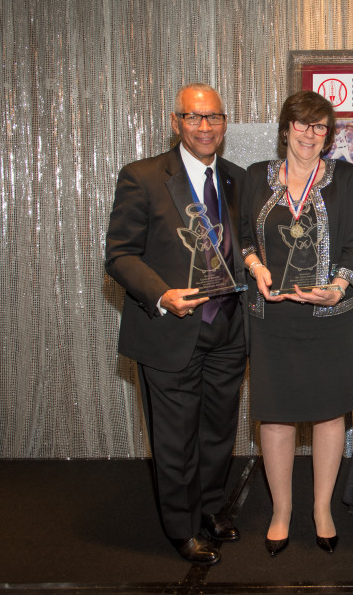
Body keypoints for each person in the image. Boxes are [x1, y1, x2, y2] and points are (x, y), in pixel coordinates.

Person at [105, 83, 247, 566]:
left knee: (216, 433)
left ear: (225, 124)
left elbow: (244, 249)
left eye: (214, 118)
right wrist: (162, 294)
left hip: (228, 330)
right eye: (194, 118)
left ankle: (209, 510)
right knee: (174, 437)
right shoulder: (142, 177)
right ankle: (181, 528)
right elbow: (119, 256)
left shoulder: (235, 179)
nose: (205, 127)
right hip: (169, 329)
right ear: (175, 121)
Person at [241, 90, 353, 556]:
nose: (311, 135)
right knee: (275, 415)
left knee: (330, 413)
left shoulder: (345, 177)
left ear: (328, 136)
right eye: (302, 124)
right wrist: (256, 269)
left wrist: (337, 285)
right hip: (271, 316)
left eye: (320, 127)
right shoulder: (257, 177)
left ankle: (322, 509)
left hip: (329, 317)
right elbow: (240, 238)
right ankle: (281, 511)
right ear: (286, 126)